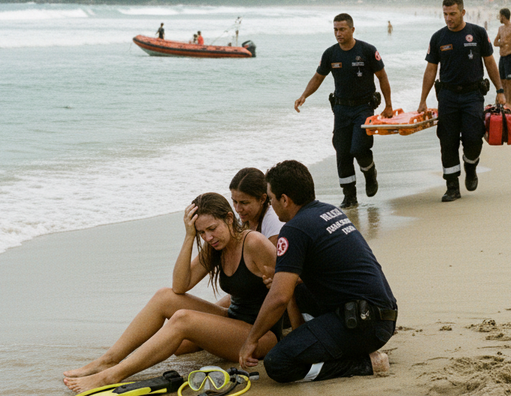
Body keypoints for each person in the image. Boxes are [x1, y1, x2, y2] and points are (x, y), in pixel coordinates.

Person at [63, 193, 281, 394]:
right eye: (201, 232)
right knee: (164, 296)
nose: (208, 237)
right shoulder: (215, 246)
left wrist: (293, 338)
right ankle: (108, 360)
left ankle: (111, 376)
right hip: (234, 321)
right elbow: (180, 286)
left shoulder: (254, 242)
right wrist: (189, 237)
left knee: (183, 319)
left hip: (261, 335)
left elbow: (286, 289)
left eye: (212, 228)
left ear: (229, 218)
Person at [238, 160, 396, 383]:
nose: (271, 204)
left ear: (285, 199)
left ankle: (365, 363)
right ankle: (320, 340)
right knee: (299, 289)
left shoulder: (293, 230)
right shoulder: (330, 211)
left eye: (271, 198)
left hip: (365, 325)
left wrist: (251, 340)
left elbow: (279, 297)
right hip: (382, 314)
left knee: (278, 363)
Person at [294, 13, 394, 209]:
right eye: (335, 30)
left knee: (358, 147)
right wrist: (304, 95)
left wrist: (388, 105)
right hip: (341, 109)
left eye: (342, 29)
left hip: (364, 107)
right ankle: (349, 196)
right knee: (342, 151)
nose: (338, 33)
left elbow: (382, 76)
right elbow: (318, 77)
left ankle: (370, 173)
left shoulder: (367, 50)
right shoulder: (330, 54)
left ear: (352, 29)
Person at [417, 0, 506, 202]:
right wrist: (423, 100)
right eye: (445, 14)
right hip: (447, 96)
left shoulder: (478, 33)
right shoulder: (438, 38)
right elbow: (431, 69)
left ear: (463, 12)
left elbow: (490, 62)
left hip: (472, 95)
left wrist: (500, 90)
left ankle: (471, 165)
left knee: (474, 137)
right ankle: (452, 186)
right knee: (447, 141)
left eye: (453, 14)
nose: (448, 18)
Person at [230, 167, 284, 247]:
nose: (238, 209)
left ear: (262, 199)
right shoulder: (244, 219)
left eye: (244, 203)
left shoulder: (274, 224)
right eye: (235, 201)